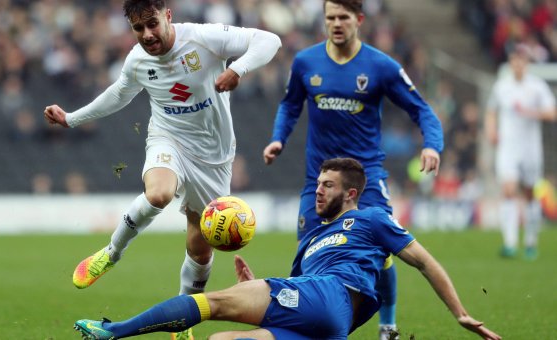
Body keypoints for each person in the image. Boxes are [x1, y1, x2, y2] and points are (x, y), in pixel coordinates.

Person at [44, 0, 281, 338]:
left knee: (200, 248)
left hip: (213, 157)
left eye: (152, 24)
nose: (147, 34)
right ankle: (112, 253)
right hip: (167, 138)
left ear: (168, 16)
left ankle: (181, 322)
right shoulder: (138, 61)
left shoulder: (204, 39)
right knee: (159, 193)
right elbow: (118, 95)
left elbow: (270, 41)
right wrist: (71, 118)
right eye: (138, 28)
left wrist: (238, 69)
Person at [72, 158, 501, 340]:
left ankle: (115, 331)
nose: (318, 191)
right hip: (325, 323)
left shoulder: (371, 219)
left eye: (328, 185)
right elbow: (297, 289)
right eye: (317, 183)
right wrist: (256, 284)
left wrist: (460, 312)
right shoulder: (313, 240)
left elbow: (424, 262)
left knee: (214, 303)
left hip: (335, 298)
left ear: (351, 193)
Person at [261, 1, 443, 338]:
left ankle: (387, 326)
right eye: (330, 18)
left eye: (343, 17)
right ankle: (306, 326)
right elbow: (289, 105)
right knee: (309, 254)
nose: (336, 24)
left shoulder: (381, 66)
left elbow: (421, 110)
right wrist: (278, 139)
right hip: (319, 179)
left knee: (384, 248)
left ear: (359, 20)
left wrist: (432, 144)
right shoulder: (305, 62)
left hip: (366, 178)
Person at [484, 46, 557, 260]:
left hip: (530, 148)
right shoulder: (502, 86)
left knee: (529, 193)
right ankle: (510, 243)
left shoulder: (537, 87)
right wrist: (491, 130)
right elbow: (491, 110)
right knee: (508, 190)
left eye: (521, 60)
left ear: (527, 63)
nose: (517, 64)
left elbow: (552, 113)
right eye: (514, 60)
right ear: (510, 62)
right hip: (508, 147)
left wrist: (530, 112)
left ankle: (531, 242)